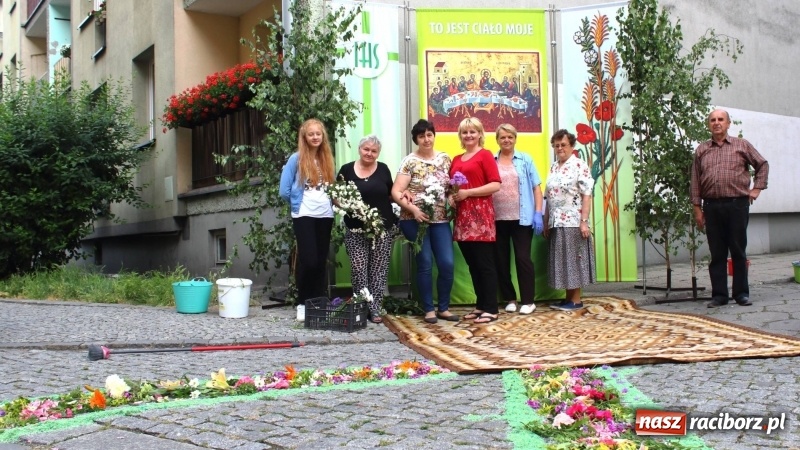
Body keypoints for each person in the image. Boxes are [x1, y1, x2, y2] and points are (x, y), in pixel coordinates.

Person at [691, 109, 769, 308]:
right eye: (713, 120)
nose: (716, 123)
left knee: (737, 250)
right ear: (709, 124)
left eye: (720, 119)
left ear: (728, 123)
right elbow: (695, 181)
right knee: (717, 253)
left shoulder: (741, 145)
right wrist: (697, 208)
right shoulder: (701, 150)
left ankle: (741, 294)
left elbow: (762, 164)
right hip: (712, 207)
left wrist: (757, 188)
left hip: (737, 205)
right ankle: (719, 296)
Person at [391, 119, 457, 324]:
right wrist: (413, 210)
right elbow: (396, 191)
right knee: (425, 263)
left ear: (434, 136)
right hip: (414, 220)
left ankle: (443, 308)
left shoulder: (446, 159)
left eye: (429, 134)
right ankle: (429, 309)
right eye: (421, 136)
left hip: (440, 220)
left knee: (447, 263)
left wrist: (452, 197)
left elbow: (451, 187)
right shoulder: (409, 161)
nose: (426, 139)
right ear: (416, 139)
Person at [336, 135, 397, 324]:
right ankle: (361, 305)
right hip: (355, 229)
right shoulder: (346, 170)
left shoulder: (384, 169)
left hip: (382, 229)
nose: (369, 153)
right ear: (359, 149)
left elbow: (392, 194)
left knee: (379, 269)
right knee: (359, 267)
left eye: (374, 151)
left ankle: (376, 308)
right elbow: (336, 195)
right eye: (366, 149)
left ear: (378, 153)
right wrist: (347, 206)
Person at [279, 118, 335, 321]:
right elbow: (283, 190)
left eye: (318, 134)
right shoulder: (296, 159)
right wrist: (297, 203)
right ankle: (303, 303)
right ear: (304, 136)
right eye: (311, 134)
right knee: (308, 260)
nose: (315, 137)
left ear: (322, 136)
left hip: (325, 214)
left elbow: (331, 187)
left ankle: (318, 304)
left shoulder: (326, 158)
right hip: (303, 214)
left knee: (320, 261)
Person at [449, 117, 502, 323]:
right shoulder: (456, 159)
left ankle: (491, 308)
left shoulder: (485, 155)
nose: (468, 135)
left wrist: (468, 193)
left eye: (472, 131)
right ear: (460, 136)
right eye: (464, 132)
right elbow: (452, 186)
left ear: (480, 134)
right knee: (473, 264)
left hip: (480, 217)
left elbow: (495, 184)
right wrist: (451, 197)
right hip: (462, 217)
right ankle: (481, 306)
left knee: (485, 264)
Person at [492, 124, 544, 315]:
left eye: (510, 137)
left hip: (522, 219)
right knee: (501, 260)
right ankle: (510, 299)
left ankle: (528, 301)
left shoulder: (526, 160)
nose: (506, 140)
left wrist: (538, 213)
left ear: (515, 138)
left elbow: (536, 188)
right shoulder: (491, 160)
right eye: (502, 137)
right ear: (497, 140)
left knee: (523, 259)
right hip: (497, 219)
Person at [543, 129, 596, 311]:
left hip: (573, 220)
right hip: (557, 221)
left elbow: (587, 195)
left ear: (571, 146)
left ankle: (576, 300)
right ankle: (568, 298)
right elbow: (548, 197)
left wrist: (584, 221)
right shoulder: (553, 167)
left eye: (563, 145)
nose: (560, 148)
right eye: (556, 145)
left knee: (573, 260)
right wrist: (546, 221)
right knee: (564, 260)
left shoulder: (579, 165)